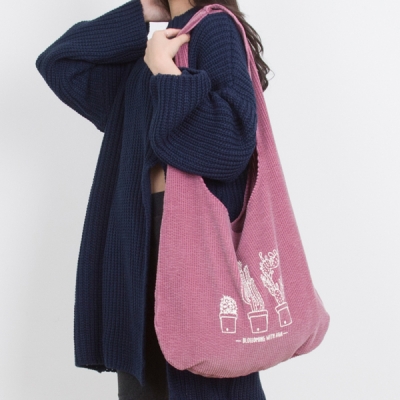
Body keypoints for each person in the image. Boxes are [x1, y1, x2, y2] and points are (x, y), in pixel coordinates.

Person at [35, 0, 271, 398]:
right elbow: (60, 63)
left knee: (200, 381)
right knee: (148, 384)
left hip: (188, 235)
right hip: (141, 234)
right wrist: (142, 13)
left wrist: (165, 70)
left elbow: (230, 146)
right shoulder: (158, 46)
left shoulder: (213, 27)